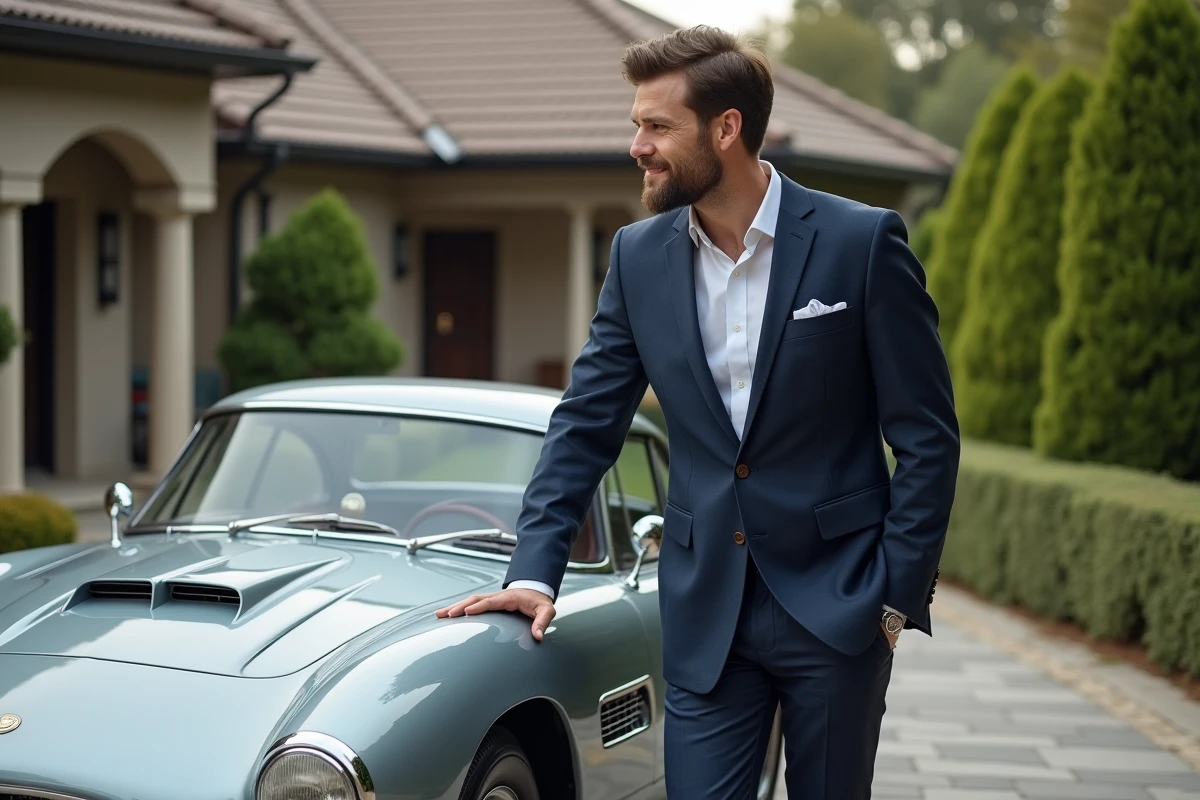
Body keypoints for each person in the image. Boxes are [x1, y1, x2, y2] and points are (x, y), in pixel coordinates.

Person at [436, 24, 959, 799]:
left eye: (656, 126)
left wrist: (892, 600)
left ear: (726, 128)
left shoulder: (860, 243)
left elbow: (927, 437)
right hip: (706, 608)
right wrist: (535, 572)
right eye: (635, 124)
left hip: (840, 607)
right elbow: (585, 424)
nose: (637, 145)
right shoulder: (638, 257)